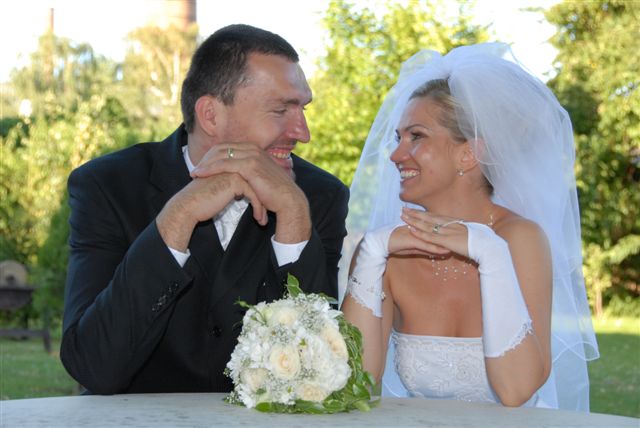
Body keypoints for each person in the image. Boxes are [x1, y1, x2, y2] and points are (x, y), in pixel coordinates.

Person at [61, 24, 349, 394]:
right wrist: (178, 216)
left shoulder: (319, 196)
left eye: (302, 109)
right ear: (211, 115)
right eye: (281, 110)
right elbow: (92, 366)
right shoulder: (108, 187)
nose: (302, 132)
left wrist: (294, 214)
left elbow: (319, 374)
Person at [340, 43, 599, 410]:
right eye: (398, 138)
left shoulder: (519, 239)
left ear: (468, 154)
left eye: (417, 136)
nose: (395, 155)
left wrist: (491, 254)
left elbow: (516, 391)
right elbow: (356, 388)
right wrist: (370, 256)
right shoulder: (387, 252)